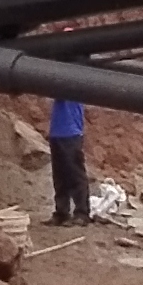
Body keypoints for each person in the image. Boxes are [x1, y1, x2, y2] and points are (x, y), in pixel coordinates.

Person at [47, 96, 93, 225]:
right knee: (59, 177)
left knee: (75, 175)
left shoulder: (74, 85)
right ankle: (61, 213)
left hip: (71, 133)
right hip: (56, 132)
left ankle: (82, 213)